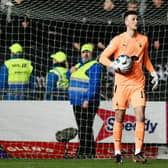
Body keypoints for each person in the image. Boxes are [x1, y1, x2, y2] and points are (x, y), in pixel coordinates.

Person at [99, 11, 159, 163]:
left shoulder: (144, 39)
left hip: (138, 84)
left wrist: (153, 73)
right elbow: (102, 57)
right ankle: (117, 152)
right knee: (119, 117)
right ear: (126, 22)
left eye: (137, 18)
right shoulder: (118, 40)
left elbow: (145, 59)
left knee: (140, 116)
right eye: (133, 19)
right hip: (121, 85)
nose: (136, 21)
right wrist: (114, 65)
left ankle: (138, 152)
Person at [69, 44, 102, 159]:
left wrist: (87, 99)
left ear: (92, 53)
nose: (86, 54)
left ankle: (84, 152)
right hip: (76, 101)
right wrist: (69, 72)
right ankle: (87, 152)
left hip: (88, 102)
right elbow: (70, 78)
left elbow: (94, 84)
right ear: (81, 53)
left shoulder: (95, 66)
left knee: (86, 127)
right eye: (84, 52)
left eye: (88, 52)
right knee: (82, 127)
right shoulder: (77, 65)